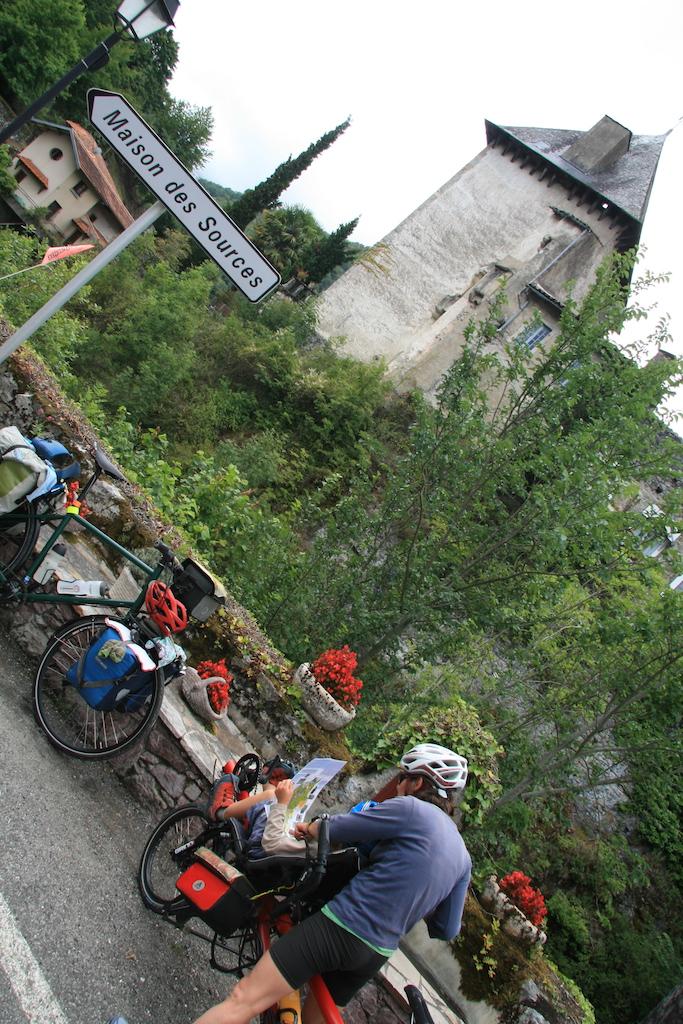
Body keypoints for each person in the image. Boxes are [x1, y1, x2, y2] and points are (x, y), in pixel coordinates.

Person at [191, 742, 472, 1024]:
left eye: (401, 777)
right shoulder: (463, 858)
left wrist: (312, 828)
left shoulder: (411, 809)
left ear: (417, 782)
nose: (398, 785)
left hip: (342, 926)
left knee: (244, 1000)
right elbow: (445, 928)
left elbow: (344, 827)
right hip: (377, 952)